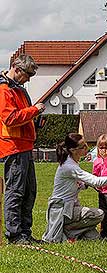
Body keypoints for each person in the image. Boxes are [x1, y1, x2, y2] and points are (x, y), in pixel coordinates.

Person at [42, 133, 107, 243]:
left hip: (68, 208)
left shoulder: (71, 162)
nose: (87, 148)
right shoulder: (70, 166)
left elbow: (79, 185)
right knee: (99, 214)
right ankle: (65, 231)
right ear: (73, 150)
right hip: (62, 211)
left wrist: (85, 185)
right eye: (83, 146)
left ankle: (75, 233)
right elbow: (96, 181)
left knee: (93, 236)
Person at [0, 54, 46, 244]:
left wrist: (35, 121)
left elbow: (22, 116)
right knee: (16, 191)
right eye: (27, 75)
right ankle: (14, 234)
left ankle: (25, 233)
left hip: (25, 145)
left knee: (29, 191)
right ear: (16, 69)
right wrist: (35, 110)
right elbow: (10, 118)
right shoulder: (4, 90)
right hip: (14, 147)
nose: (28, 79)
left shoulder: (19, 90)